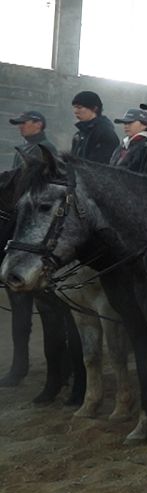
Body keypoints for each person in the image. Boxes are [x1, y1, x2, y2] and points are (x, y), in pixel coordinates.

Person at [2, 110, 59, 387]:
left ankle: (52, 369)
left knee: (46, 308)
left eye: (23, 123)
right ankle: (20, 365)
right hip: (20, 221)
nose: (20, 127)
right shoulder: (25, 149)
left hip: (33, 228)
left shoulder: (44, 150)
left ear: (39, 123)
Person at [69, 91, 119, 164]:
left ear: (94, 108)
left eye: (79, 107)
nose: (75, 111)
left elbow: (99, 166)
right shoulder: (79, 134)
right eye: (74, 107)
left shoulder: (105, 134)